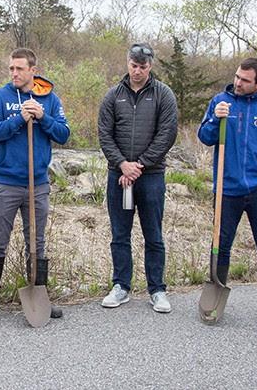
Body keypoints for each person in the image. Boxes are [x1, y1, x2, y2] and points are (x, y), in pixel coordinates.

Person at [198, 57, 257, 327]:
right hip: (227, 190)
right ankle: (216, 298)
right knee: (220, 245)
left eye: (245, 80)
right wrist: (216, 120)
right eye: (237, 76)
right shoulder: (221, 102)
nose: (238, 82)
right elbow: (204, 137)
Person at [0, 48, 70, 320]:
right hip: (6, 183)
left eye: (20, 69)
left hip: (37, 184)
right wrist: (19, 118)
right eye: (11, 69)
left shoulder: (50, 99)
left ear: (33, 70)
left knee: (37, 243)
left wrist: (43, 117)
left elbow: (64, 134)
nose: (14, 73)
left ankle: (38, 294)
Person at [98, 43, 178, 313]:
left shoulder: (164, 95)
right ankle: (121, 286)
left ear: (150, 66)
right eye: (134, 65)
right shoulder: (113, 96)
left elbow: (166, 135)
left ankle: (157, 289)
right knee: (120, 234)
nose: (138, 71)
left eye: (143, 66)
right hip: (118, 177)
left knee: (153, 234)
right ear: (127, 63)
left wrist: (139, 166)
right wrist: (122, 165)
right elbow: (104, 135)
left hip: (151, 176)